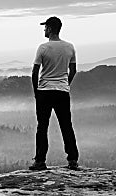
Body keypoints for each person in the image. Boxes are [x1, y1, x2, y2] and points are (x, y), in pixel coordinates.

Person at [29, 16, 79, 171]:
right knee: (66, 125)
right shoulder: (69, 47)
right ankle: (72, 160)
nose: (44, 30)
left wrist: (36, 91)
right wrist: (65, 85)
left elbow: (35, 72)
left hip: (44, 91)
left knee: (42, 127)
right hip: (62, 92)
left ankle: (40, 161)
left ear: (50, 29)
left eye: (45, 27)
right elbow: (73, 70)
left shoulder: (43, 48)